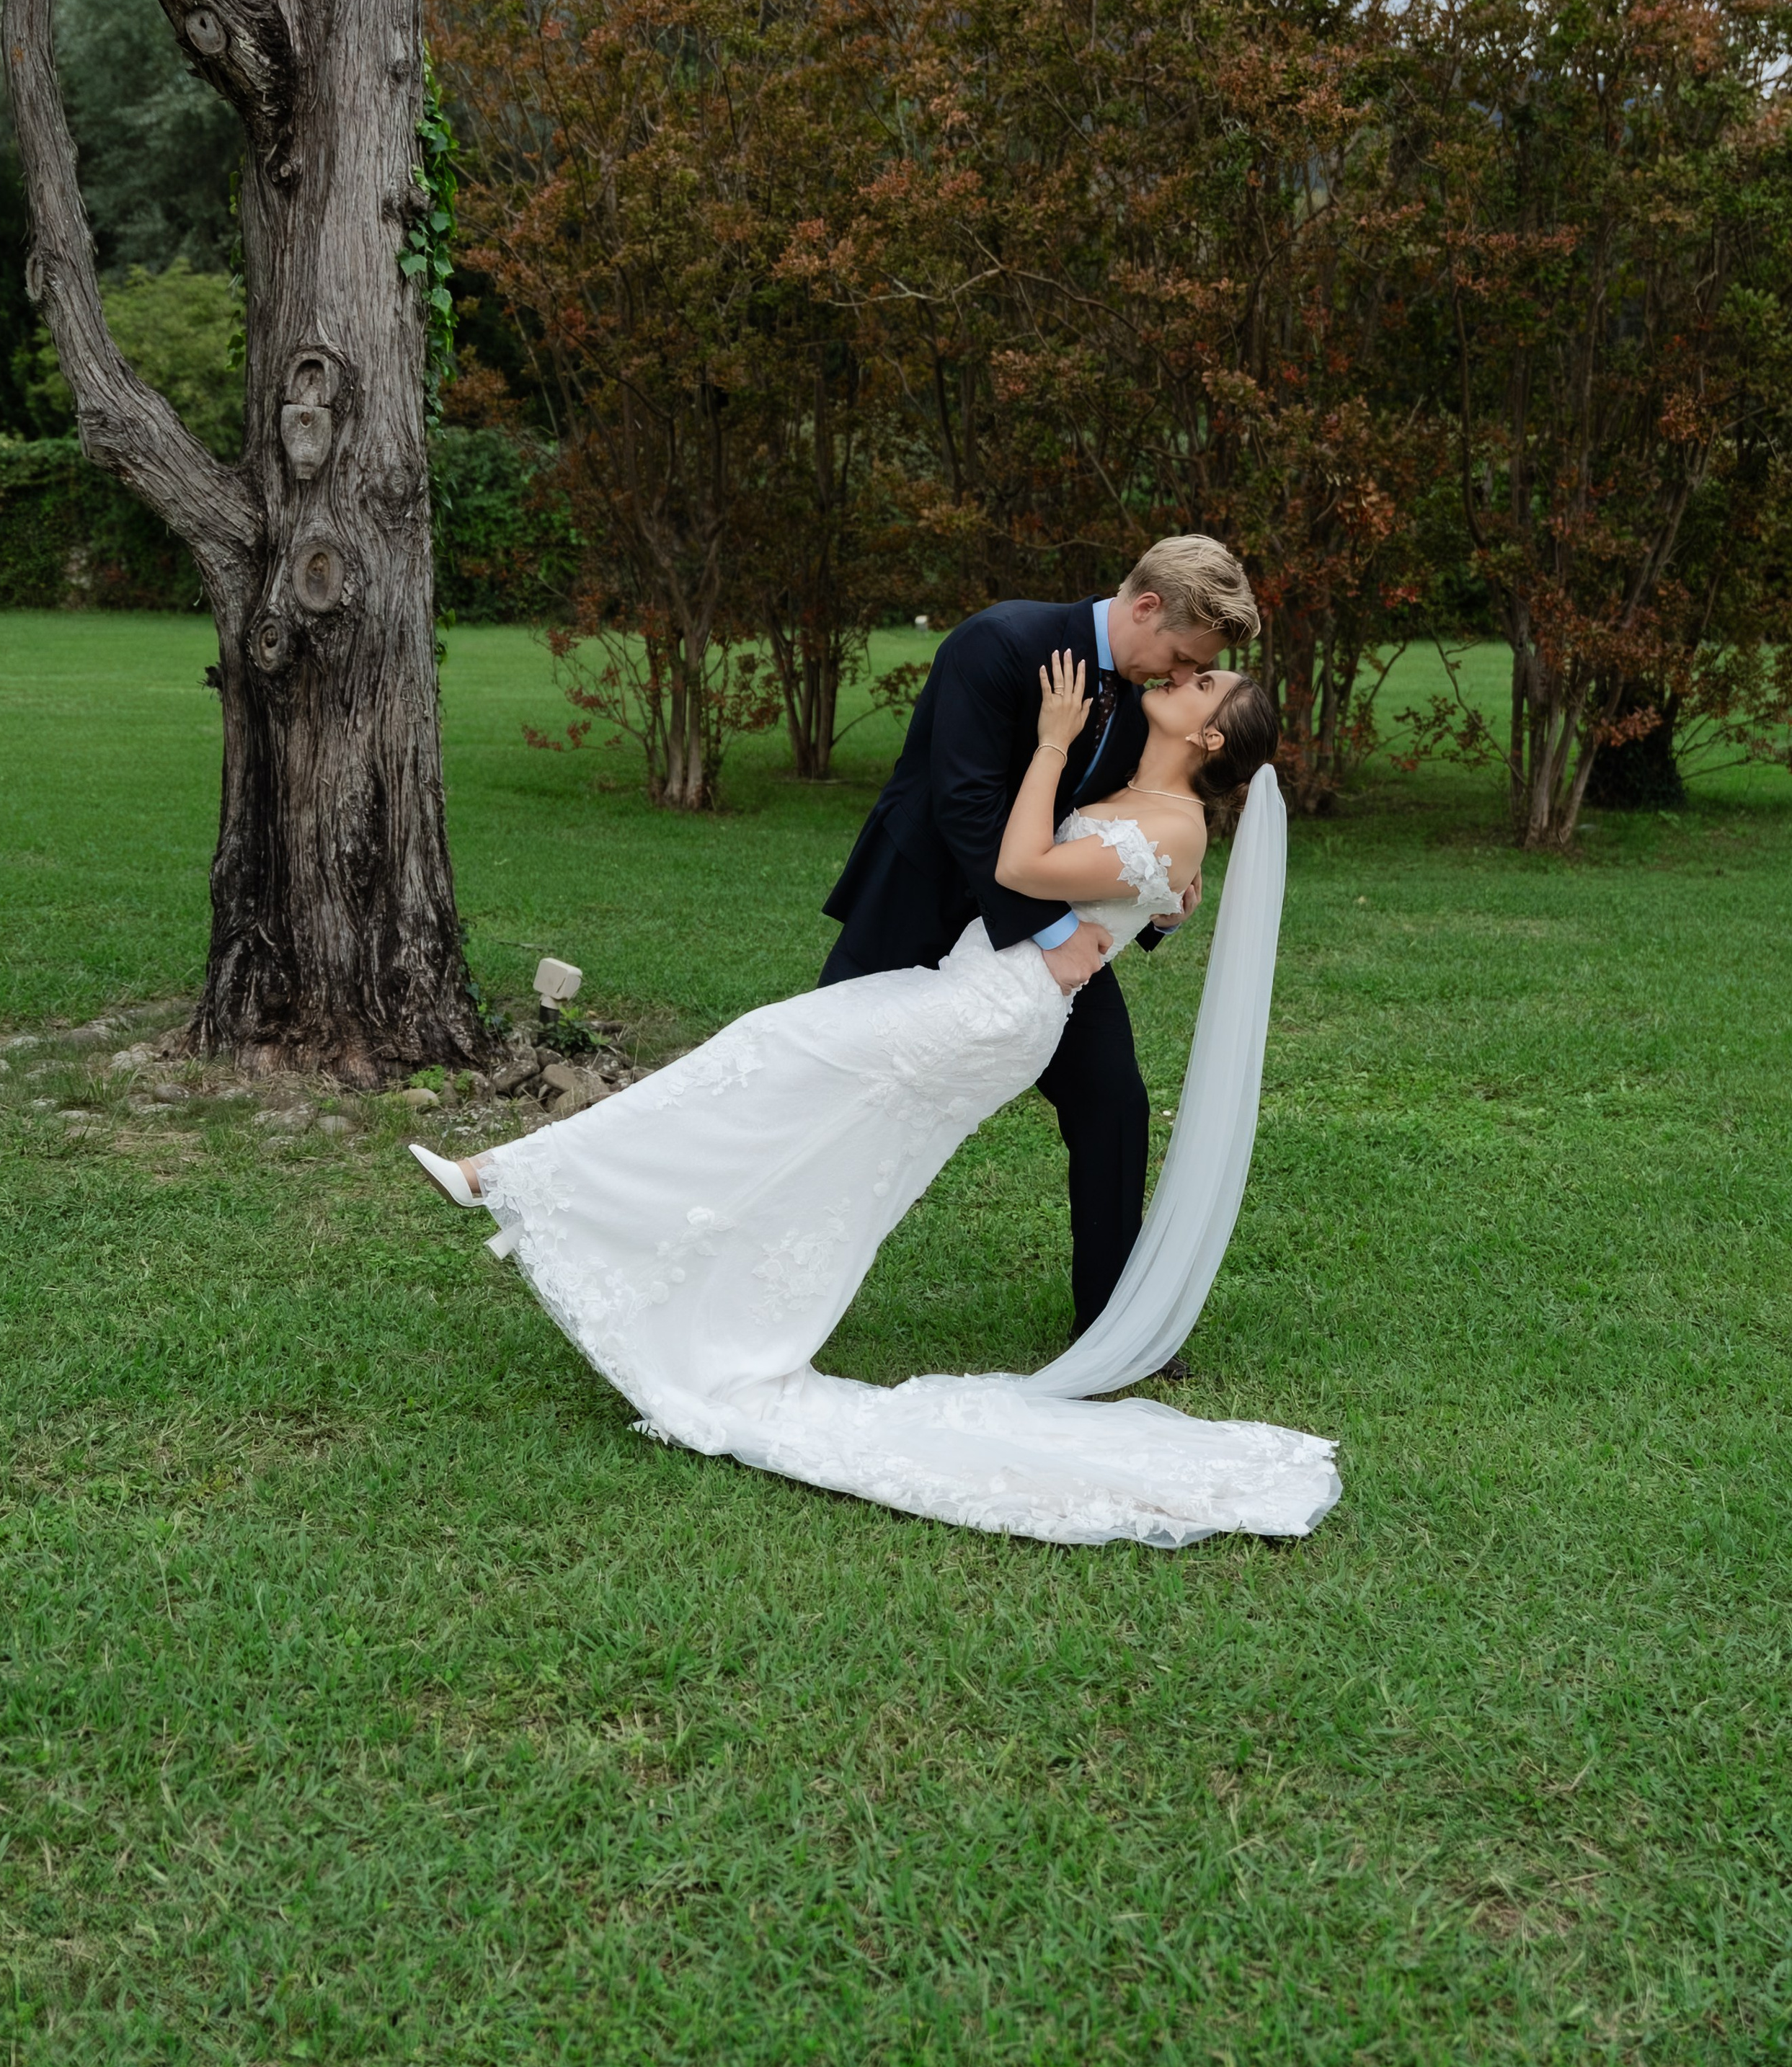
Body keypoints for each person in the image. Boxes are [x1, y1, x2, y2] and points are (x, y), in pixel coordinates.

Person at [406, 634, 1339, 1551]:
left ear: (1211, 737)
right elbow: (1148, 898)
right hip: (982, 994)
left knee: (769, 1052)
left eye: (1206, 682)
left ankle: (513, 1180)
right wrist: (1161, 899)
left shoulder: (1173, 819)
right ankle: (632, 1254)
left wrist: (1055, 740)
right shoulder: (1151, 798)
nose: (1186, 675)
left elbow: (1020, 871)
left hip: (990, 1010)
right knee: (821, 1144)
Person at [822, 535, 1261, 1351]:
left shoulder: (1147, 694)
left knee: (1114, 1105)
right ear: (1144, 608)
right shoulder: (1002, 643)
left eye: (1192, 671)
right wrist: (1055, 933)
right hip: (921, 906)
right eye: (1179, 656)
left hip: (1029, 948)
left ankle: (1110, 1329)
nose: (1175, 677)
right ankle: (776, 1285)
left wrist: (1162, 895)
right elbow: (966, 811)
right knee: (831, 1084)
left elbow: (1118, 821)